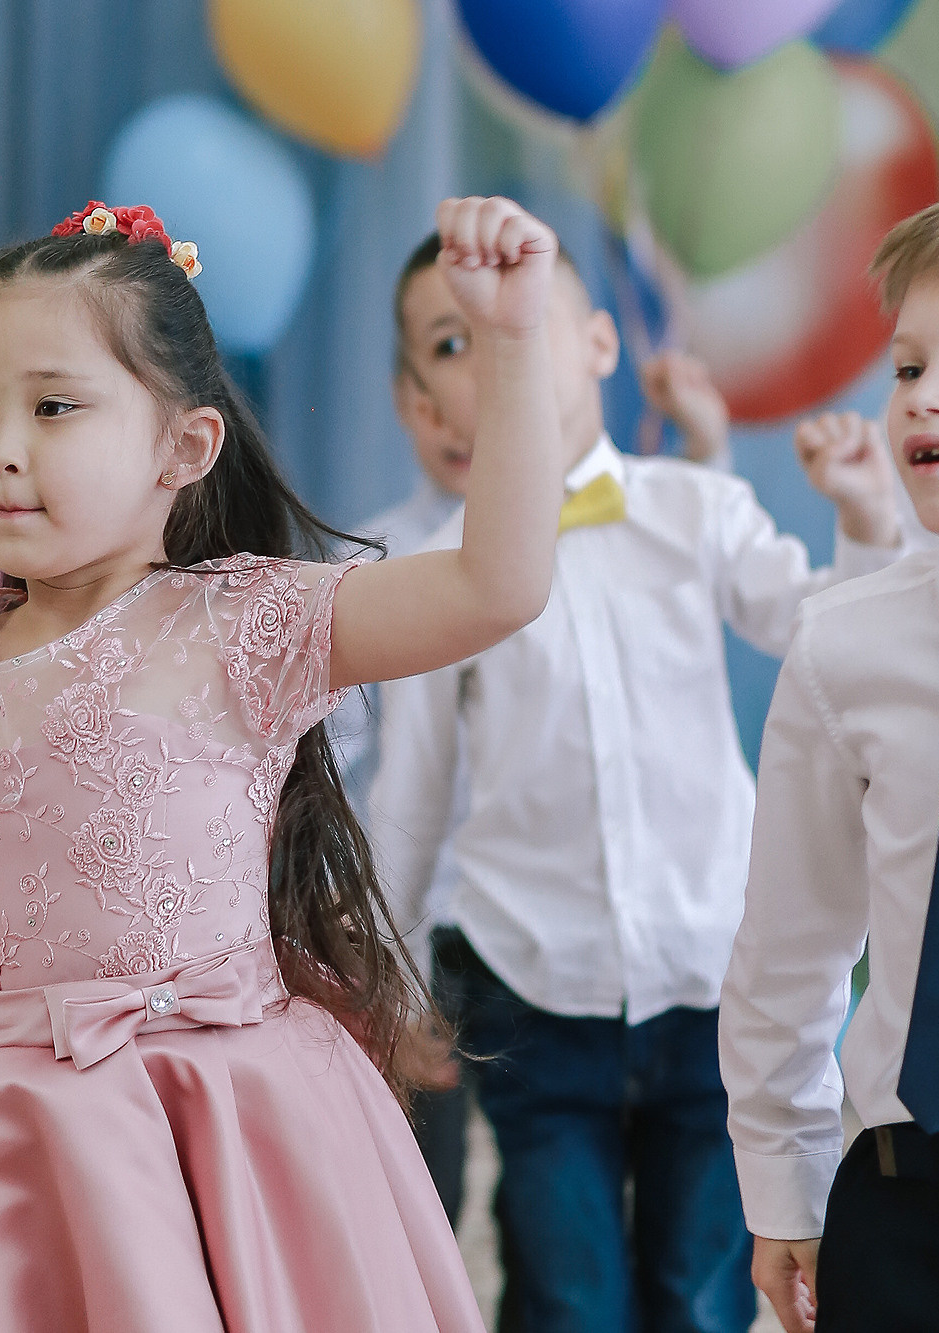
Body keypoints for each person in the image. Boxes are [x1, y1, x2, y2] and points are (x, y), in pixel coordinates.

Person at [0, 193, 574, 1332]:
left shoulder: (245, 625)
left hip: (222, 1126)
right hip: (6, 1147)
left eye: (54, 407)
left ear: (185, 445)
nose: (0, 449)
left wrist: (513, 340)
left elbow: (495, 586)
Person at [366, 229, 906, 1333]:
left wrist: (861, 519)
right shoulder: (433, 573)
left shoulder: (689, 510)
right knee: (570, 1296)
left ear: (600, 342)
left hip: (709, 976)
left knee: (699, 1295)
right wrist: (392, 971)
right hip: (529, 982)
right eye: (458, 339)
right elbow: (413, 789)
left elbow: (813, 630)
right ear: (425, 399)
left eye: (527, 319)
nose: (499, 349)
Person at [723, 182, 939, 1333]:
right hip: (904, 1214)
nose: (927, 397)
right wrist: (781, 1188)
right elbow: (787, 947)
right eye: (907, 366)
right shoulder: (842, 642)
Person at [341, 329, 736, 1227]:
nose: (459, 415)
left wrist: (706, 444)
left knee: (589, 1195)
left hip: (560, 927)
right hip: (434, 921)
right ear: (408, 402)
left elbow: (697, 552)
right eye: (438, 374)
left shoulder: (606, 525)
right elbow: (356, 762)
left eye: (487, 378)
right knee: (433, 1187)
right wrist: (377, 950)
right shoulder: (377, 558)